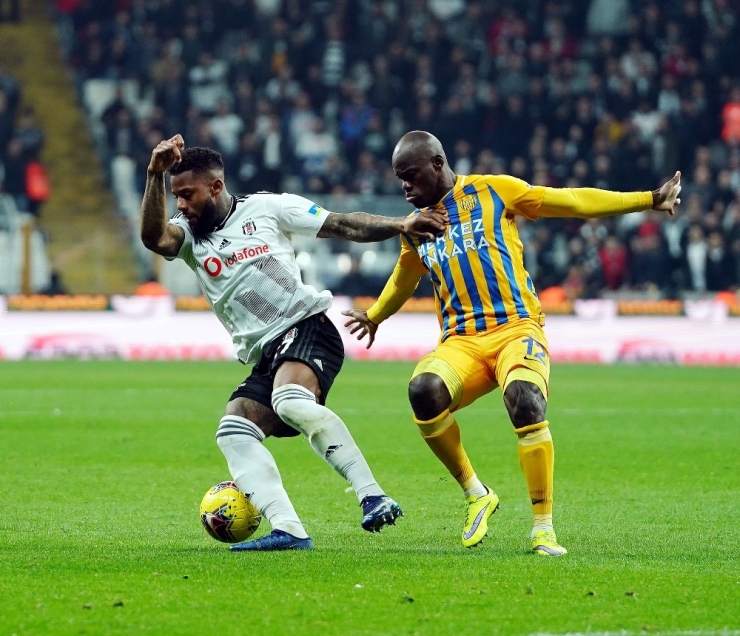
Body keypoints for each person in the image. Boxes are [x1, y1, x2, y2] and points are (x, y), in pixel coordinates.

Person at [343, 131, 681, 555]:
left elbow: (573, 201)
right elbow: (404, 277)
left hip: (516, 330)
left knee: (525, 401)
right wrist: (375, 315)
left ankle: (543, 528)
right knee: (423, 392)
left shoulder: (494, 191)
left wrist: (649, 198)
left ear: (437, 163)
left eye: (410, 177)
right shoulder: (414, 227)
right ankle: (476, 493)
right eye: (399, 180)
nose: (405, 188)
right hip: (461, 343)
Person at [140, 135, 446, 552]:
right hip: (268, 353)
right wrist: (155, 174)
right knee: (234, 431)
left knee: (289, 401)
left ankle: (373, 495)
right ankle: (289, 531)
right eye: (176, 196)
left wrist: (399, 225)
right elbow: (154, 238)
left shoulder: (268, 208)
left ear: (215, 187)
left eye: (187, 195)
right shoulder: (188, 236)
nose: (181, 205)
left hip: (307, 327)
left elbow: (343, 223)